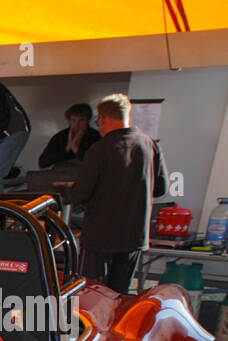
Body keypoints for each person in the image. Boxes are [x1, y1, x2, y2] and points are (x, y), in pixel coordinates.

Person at [64, 93, 167, 293]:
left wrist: (61, 196)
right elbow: (161, 188)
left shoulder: (100, 149)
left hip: (100, 237)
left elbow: (80, 192)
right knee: (120, 294)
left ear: (102, 118)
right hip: (134, 236)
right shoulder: (149, 145)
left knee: (93, 293)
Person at [38, 102, 102, 168]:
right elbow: (42, 163)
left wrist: (76, 149)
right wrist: (66, 149)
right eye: (73, 120)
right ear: (69, 121)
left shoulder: (95, 136)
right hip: (61, 175)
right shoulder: (60, 137)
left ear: (88, 120)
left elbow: (99, 163)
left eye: (81, 120)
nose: (77, 125)